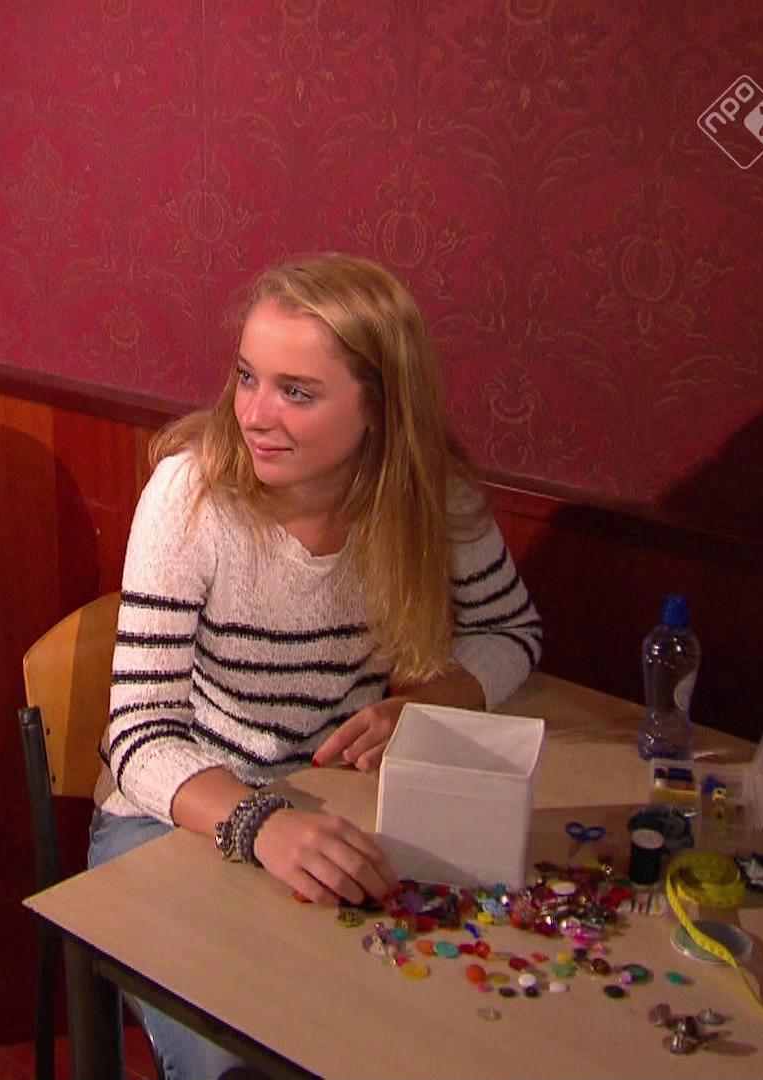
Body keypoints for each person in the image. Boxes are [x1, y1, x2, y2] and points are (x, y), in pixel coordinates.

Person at [88, 253, 542, 1079]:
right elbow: (138, 735)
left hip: (339, 809)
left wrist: (430, 701)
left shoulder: (433, 496)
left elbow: (513, 631)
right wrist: (260, 822)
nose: (255, 415)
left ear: (380, 407)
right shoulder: (191, 497)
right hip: (172, 818)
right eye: (247, 377)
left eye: (296, 392)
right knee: (238, 1059)